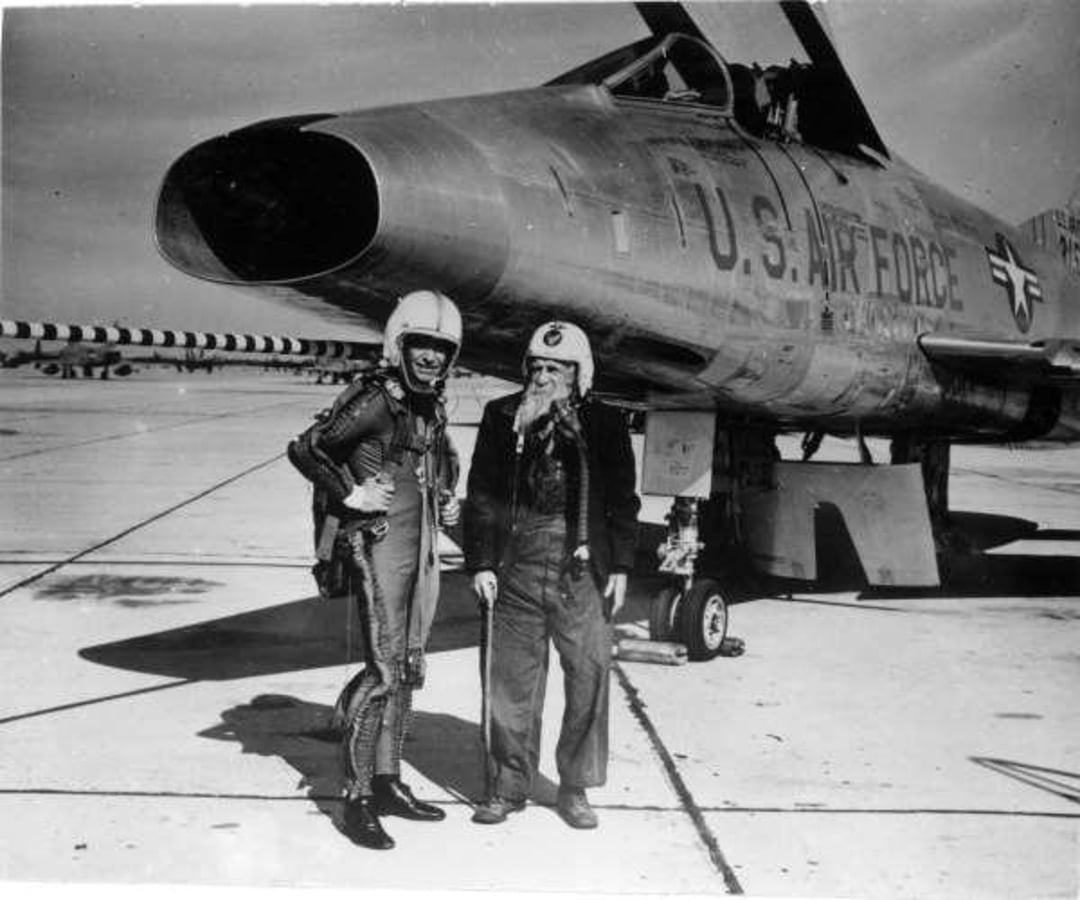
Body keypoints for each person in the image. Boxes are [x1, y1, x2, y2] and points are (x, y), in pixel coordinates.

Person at [287, 289, 462, 850]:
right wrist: (351, 494)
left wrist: (449, 497)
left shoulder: (428, 402)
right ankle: (356, 795)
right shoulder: (376, 397)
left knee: (408, 666)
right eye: (422, 346)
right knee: (383, 671)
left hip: (421, 547)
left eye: (440, 348)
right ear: (400, 345)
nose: (431, 357)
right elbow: (307, 448)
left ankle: (388, 782)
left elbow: (437, 463)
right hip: (379, 545)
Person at [464, 321, 640, 829]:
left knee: (588, 676)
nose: (543, 378)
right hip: (517, 563)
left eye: (556, 369)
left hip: (582, 565)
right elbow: (481, 495)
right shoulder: (503, 418)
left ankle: (576, 788)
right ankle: (507, 786)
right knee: (509, 684)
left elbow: (623, 501)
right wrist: (479, 562)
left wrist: (623, 566)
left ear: (578, 373)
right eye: (536, 367)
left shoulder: (604, 424)